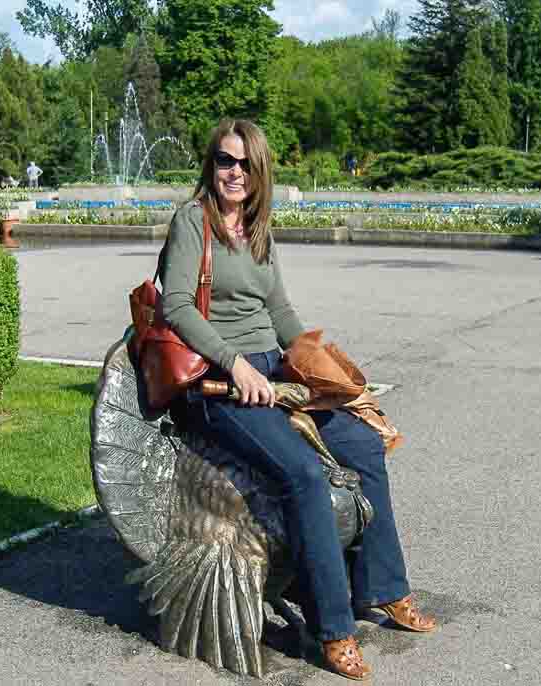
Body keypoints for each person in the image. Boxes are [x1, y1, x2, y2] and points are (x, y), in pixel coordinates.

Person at [160, 119, 436, 681]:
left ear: (260, 171)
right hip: (219, 384)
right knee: (305, 474)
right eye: (223, 160)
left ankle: (384, 587)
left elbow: (280, 310)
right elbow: (178, 307)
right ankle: (334, 629)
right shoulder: (193, 222)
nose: (232, 172)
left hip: (275, 373)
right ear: (210, 164)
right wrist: (235, 363)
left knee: (362, 443)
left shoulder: (258, 228)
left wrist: (320, 366)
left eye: (243, 163)